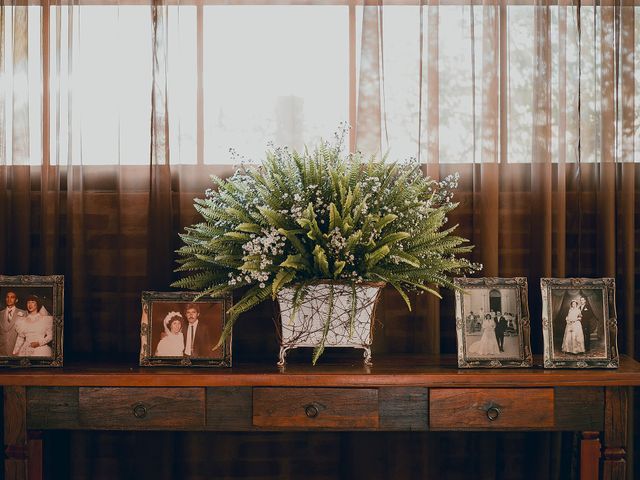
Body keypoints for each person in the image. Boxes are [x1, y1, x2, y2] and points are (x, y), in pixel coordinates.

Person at [0, 290, 26, 356]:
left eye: (12, 297)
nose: (9, 299)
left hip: (17, 350)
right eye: (7, 297)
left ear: (16, 300)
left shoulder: (23, 313)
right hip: (2, 350)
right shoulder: (0, 314)